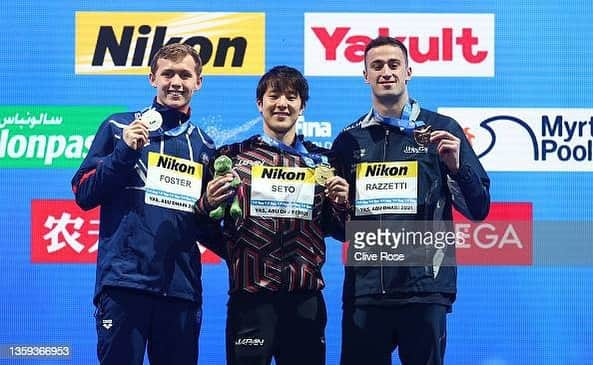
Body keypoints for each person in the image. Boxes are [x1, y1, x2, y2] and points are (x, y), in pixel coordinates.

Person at [331, 36, 491, 365]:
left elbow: (478, 209)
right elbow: (335, 227)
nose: (386, 72)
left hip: (425, 289)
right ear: (365, 76)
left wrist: (458, 169)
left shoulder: (443, 130)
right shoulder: (349, 140)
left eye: (393, 65)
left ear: (408, 72)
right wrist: (340, 205)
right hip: (366, 291)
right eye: (377, 66)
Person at [71, 43, 223, 365]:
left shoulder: (206, 147)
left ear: (199, 81)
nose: (176, 82)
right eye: (167, 73)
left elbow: (204, 226)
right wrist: (123, 152)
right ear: (152, 77)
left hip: (181, 292)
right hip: (125, 285)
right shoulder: (118, 127)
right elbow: (84, 193)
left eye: (185, 74)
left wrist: (213, 211)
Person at [193, 65, 350, 365]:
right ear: (260, 103)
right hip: (250, 298)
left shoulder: (322, 163)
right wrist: (233, 251)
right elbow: (200, 223)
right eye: (274, 95)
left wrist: (342, 203)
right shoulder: (233, 157)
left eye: (291, 97)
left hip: (305, 299)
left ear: (302, 106)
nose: (282, 103)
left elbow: (340, 230)